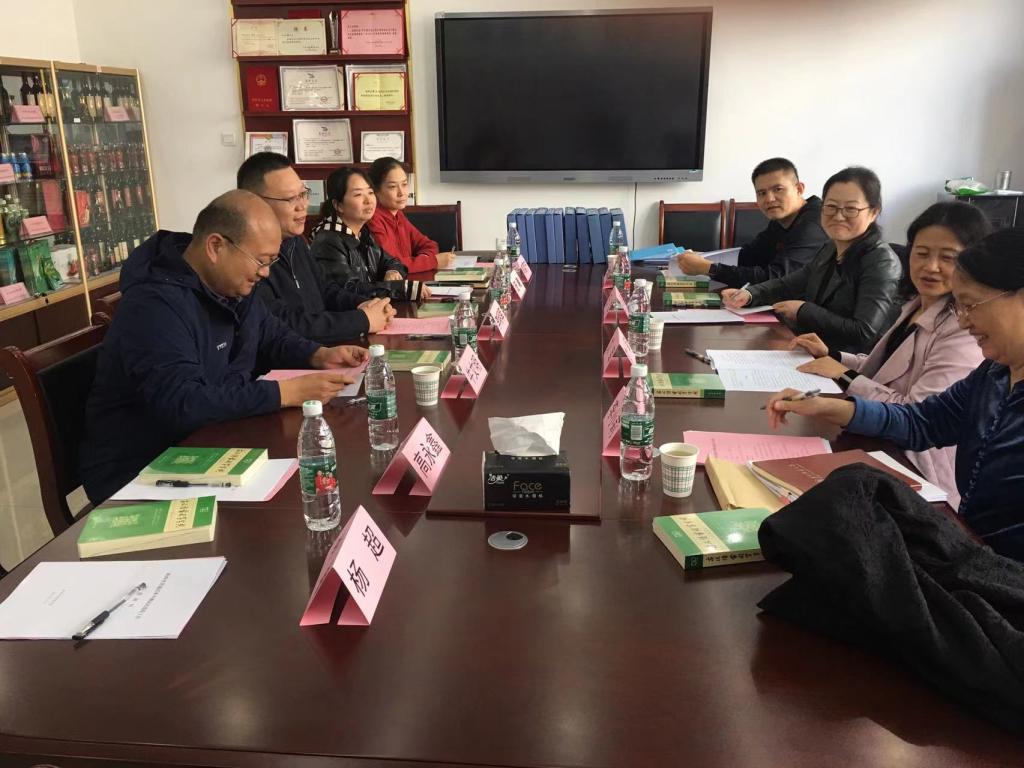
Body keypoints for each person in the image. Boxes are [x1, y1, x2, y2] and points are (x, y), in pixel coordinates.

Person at [80, 190, 368, 504]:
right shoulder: (154, 306)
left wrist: (318, 354)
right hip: (142, 468)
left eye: (271, 262)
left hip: (213, 440)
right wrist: (286, 392)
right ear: (216, 246)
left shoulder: (228, 285)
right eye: (261, 261)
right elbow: (182, 402)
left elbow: (269, 331)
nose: (265, 273)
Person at [765, 228, 1024, 561]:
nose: (964, 322)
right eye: (960, 307)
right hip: (968, 552)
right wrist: (829, 407)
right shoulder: (993, 374)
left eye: (972, 305)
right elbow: (923, 421)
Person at [785, 201, 990, 506]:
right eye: (921, 253)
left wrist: (845, 375)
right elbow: (885, 369)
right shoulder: (915, 304)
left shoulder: (963, 330)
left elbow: (917, 414)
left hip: (916, 467)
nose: (931, 267)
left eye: (948, 258)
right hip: (877, 439)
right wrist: (834, 356)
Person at [723, 166, 902, 354]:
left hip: (846, 363)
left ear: (873, 212)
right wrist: (749, 294)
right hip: (810, 348)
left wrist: (803, 310)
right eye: (831, 207)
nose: (838, 216)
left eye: (851, 209)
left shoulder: (882, 262)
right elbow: (790, 283)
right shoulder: (832, 247)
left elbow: (864, 332)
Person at [237, 152, 394, 344]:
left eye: (303, 194)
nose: (303, 205)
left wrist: (363, 304)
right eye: (291, 199)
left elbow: (325, 289)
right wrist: (361, 320)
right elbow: (283, 323)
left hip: (321, 350)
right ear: (255, 202)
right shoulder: (246, 258)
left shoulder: (295, 241)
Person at [676, 157, 828, 286]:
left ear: (799, 189)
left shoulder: (814, 224)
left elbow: (776, 279)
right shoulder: (781, 220)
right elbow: (749, 255)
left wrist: (709, 269)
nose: (769, 199)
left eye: (778, 189)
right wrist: (702, 258)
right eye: (762, 193)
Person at [310, 167, 411, 301]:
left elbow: (392, 261)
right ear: (338, 205)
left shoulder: (362, 233)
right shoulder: (327, 241)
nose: (368, 200)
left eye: (370, 192)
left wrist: (392, 271)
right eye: (358, 195)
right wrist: (401, 289)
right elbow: (349, 289)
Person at [366, 156, 455, 273]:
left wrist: (421, 261)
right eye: (392, 187)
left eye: (404, 184)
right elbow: (393, 265)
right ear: (376, 190)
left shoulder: (398, 214)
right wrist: (432, 261)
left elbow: (429, 245)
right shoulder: (373, 220)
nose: (401, 193)